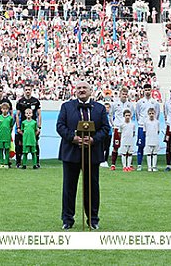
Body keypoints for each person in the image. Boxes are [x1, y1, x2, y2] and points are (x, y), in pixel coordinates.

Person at [56, 81, 110, 230]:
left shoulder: (99, 108)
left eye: (84, 88)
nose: (81, 90)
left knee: (92, 188)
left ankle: (93, 219)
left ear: (90, 91)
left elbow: (106, 128)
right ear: (75, 91)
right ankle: (67, 219)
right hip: (71, 153)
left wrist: (93, 139)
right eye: (79, 88)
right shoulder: (66, 106)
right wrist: (73, 138)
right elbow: (60, 126)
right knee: (69, 188)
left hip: (92, 154)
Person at [134, 85, 160, 171]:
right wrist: (141, 122)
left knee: (152, 146)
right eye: (146, 90)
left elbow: (157, 114)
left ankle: (153, 166)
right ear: (143, 91)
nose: (147, 91)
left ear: (151, 90)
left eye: (149, 90)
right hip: (142, 126)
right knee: (141, 145)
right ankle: (139, 164)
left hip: (151, 127)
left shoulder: (155, 102)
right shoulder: (140, 102)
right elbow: (137, 114)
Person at [15, 84, 41, 168]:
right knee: (20, 143)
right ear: (24, 90)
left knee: (36, 143)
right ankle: (19, 162)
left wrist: (39, 127)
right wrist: (18, 127)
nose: (27, 91)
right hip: (23, 126)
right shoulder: (20, 101)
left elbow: (39, 114)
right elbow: (17, 115)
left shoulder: (35, 101)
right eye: (26, 89)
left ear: (31, 90)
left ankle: (37, 162)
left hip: (33, 127)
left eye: (29, 89)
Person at [109, 86, 134, 170]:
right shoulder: (115, 104)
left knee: (128, 146)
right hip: (117, 127)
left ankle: (128, 165)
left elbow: (132, 115)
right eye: (123, 94)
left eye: (126, 94)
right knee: (116, 146)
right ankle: (113, 164)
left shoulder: (130, 105)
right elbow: (111, 115)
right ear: (120, 94)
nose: (124, 95)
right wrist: (113, 125)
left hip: (127, 128)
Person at [0, 103, 14, 168]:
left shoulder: (10, 118)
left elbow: (11, 127)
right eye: (3, 109)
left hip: (7, 137)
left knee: (7, 150)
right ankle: (1, 163)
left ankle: (6, 163)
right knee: (1, 149)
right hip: (0, 137)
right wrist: (0, 132)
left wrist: (8, 133)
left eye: (6, 109)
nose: (5, 110)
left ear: (8, 110)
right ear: (1, 109)